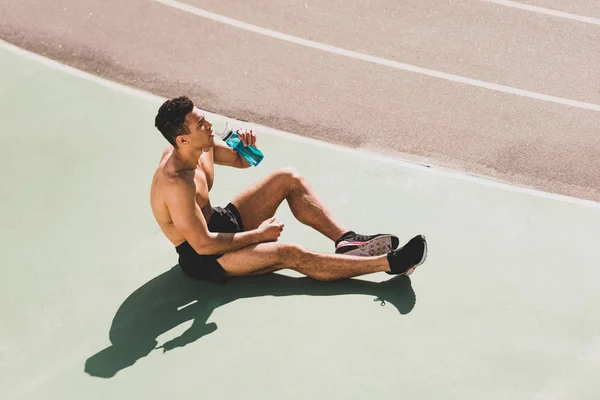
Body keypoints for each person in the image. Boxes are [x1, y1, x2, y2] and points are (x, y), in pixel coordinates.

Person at [150, 96, 427, 284]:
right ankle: (388, 264)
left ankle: (346, 240)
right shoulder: (176, 184)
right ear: (182, 139)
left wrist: (247, 150)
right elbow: (204, 244)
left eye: (204, 117)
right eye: (201, 124)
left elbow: (240, 161)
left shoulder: (201, 146)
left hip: (218, 223)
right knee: (290, 253)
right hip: (207, 258)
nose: (209, 124)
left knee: (288, 178)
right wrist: (259, 236)